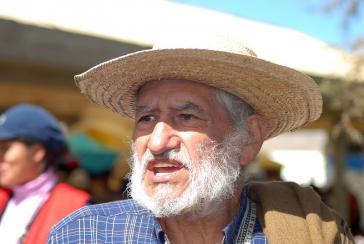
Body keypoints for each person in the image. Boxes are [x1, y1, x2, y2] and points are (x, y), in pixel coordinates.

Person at [48, 33, 354, 243]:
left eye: (186, 117)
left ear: (248, 139)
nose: (156, 143)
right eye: (147, 118)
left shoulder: (308, 230)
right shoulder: (86, 233)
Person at [0, 104, 91, 244]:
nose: (0, 156)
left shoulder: (78, 209)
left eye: (5, 148)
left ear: (37, 152)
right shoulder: (4, 196)